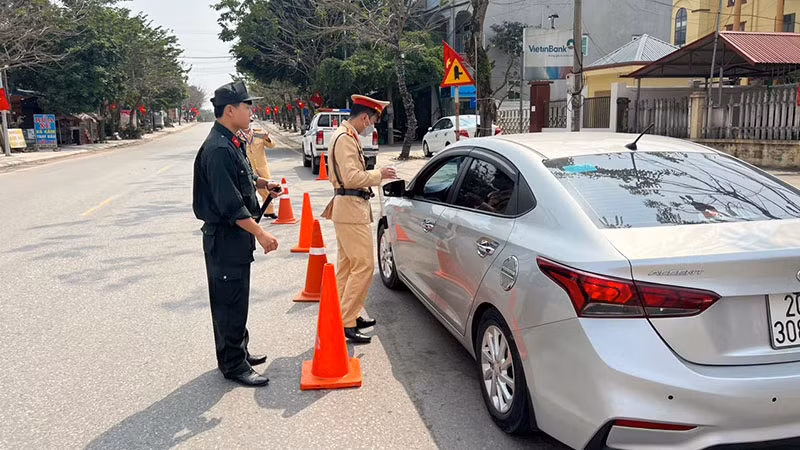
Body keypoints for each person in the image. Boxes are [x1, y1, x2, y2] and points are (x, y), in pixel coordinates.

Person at [192, 80, 281, 387]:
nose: (251, 110)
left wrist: (263, 184)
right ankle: (233, 364)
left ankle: (237, 351)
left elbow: (243, 174)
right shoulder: (217, 149)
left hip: (234, 238)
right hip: (226, 237)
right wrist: (262, 234)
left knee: (236, 297)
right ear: (230, 110)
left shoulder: (231, 141)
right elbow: (230, 205)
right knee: (229, 301)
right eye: (246, 105)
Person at [321, 94, 397, 344]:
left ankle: (345, 314)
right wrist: (379, 174)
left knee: (347, 266)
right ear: (365, 116)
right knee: (364, 265)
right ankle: (348, 320)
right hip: (351, 208)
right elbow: (352, 177)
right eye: (372, 121)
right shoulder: (345, 139)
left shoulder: (345, 135)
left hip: (349, 208)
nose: (371, 126)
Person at [240, 124, 278, 219]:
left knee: (267, 189)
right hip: (248, 168)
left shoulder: (259, 134)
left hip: (261, 166)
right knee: (249, 190)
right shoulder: (237, 135)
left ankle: (269, 211)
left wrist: (267, 138)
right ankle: (250, 214)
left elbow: (271, 145)